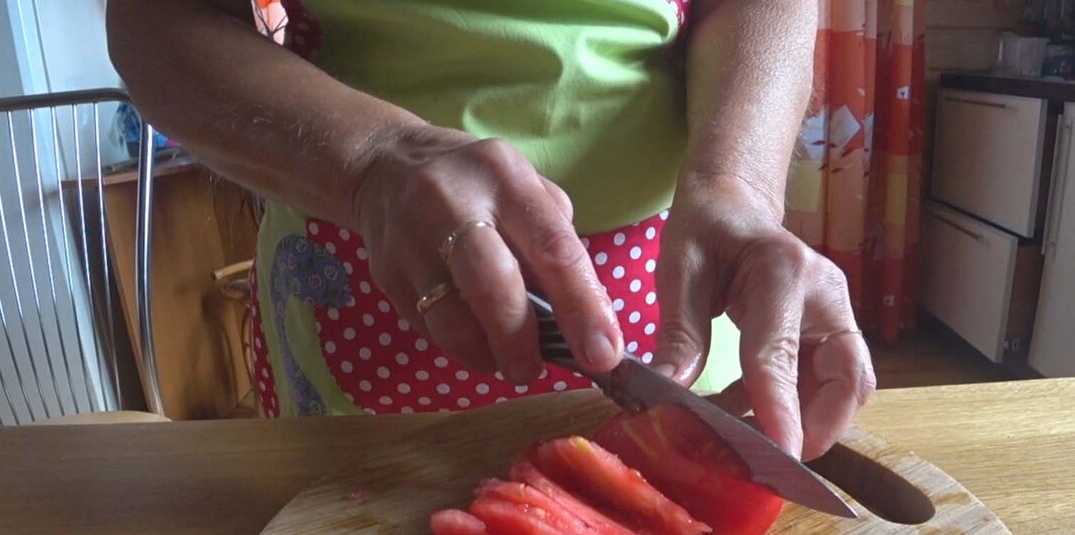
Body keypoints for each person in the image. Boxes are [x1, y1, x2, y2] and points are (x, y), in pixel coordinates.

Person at [107, 0, 875, 460]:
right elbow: (159, 23)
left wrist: (736, 185)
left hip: (672, 300)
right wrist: (374, 161)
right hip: (370, 289)